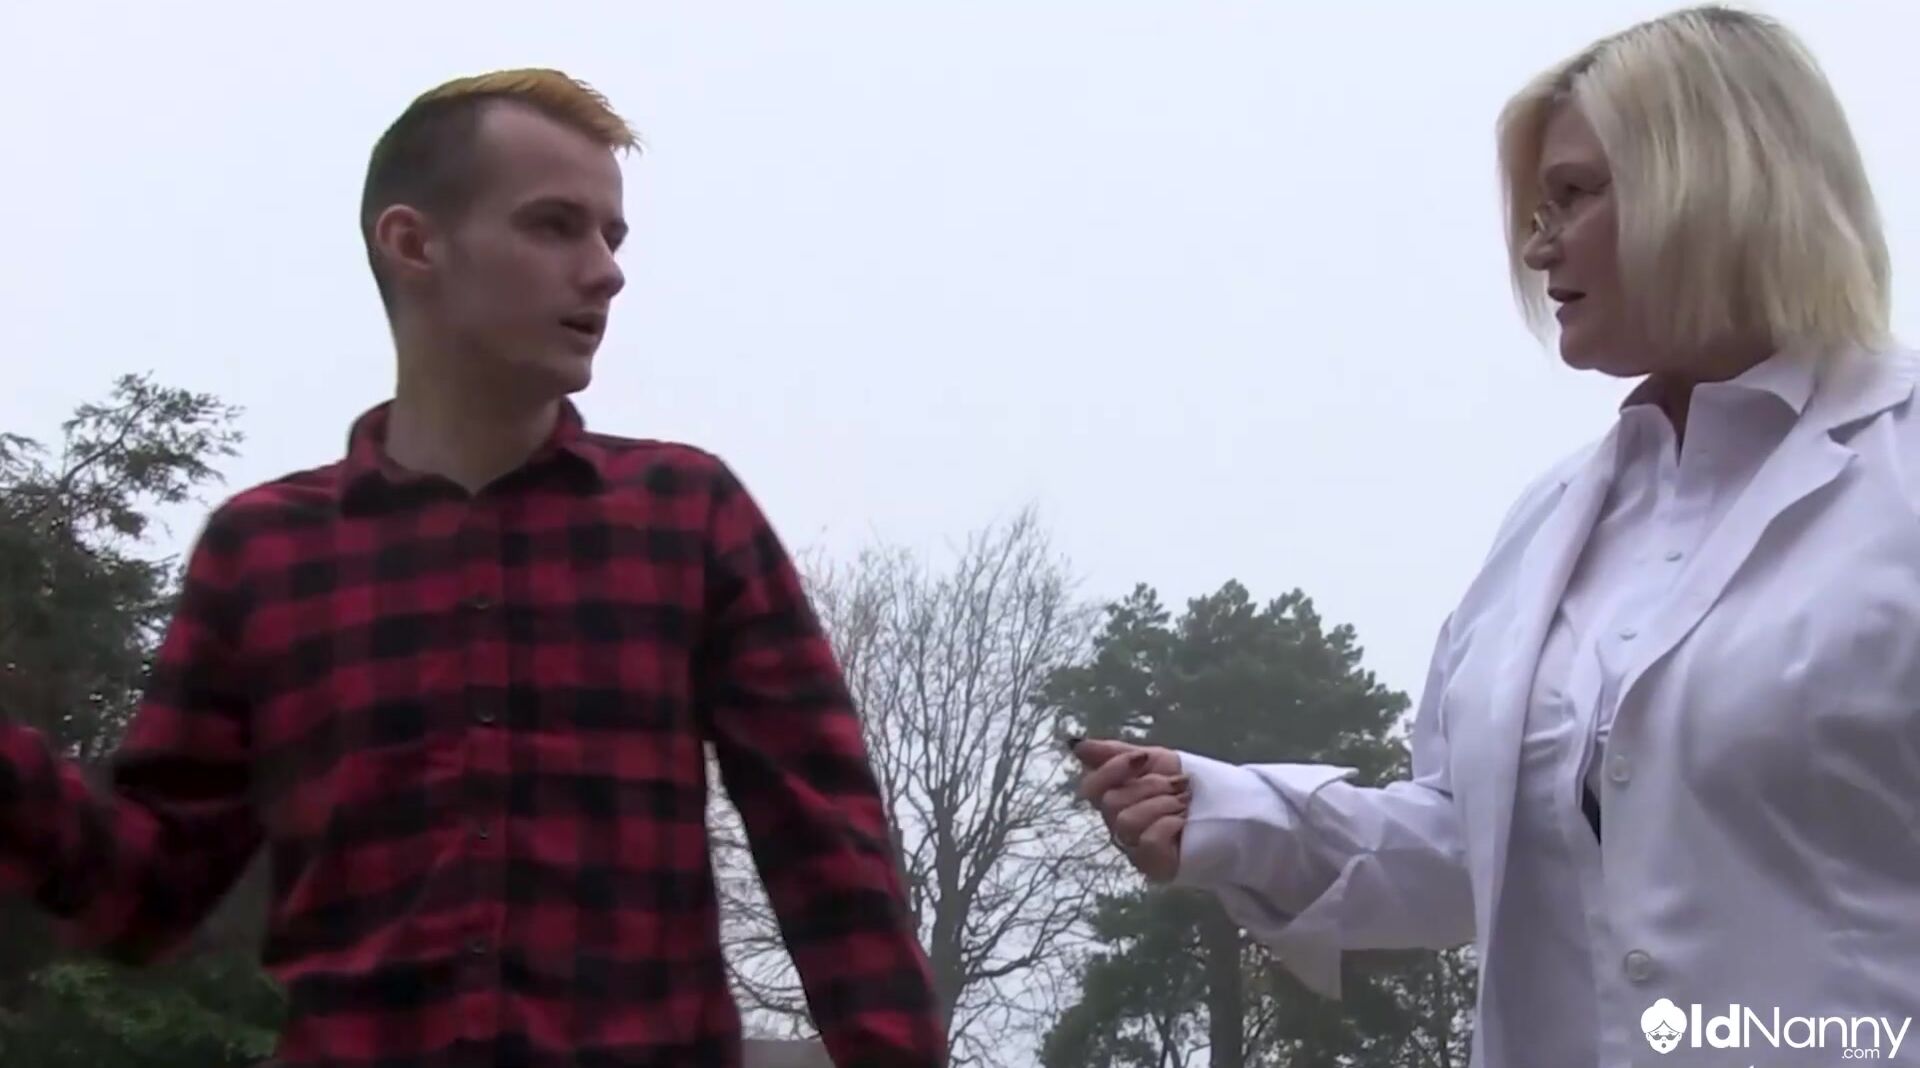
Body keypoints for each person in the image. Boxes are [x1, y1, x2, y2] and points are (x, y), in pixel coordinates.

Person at [0, 70, 946, 1067]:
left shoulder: (689, 516)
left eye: (612, 237)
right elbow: (147, 895)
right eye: (555, 226)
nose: (606, 272)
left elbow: (831, 860)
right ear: (413, 244)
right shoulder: (262, 554)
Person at [1075, 7, 1917, 1067]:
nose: (1537, 245)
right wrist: (1235, 816)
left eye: (1575, 194)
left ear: (1715, 184)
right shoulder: (1548, 526)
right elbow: (1475, 852)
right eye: (1536, 208)